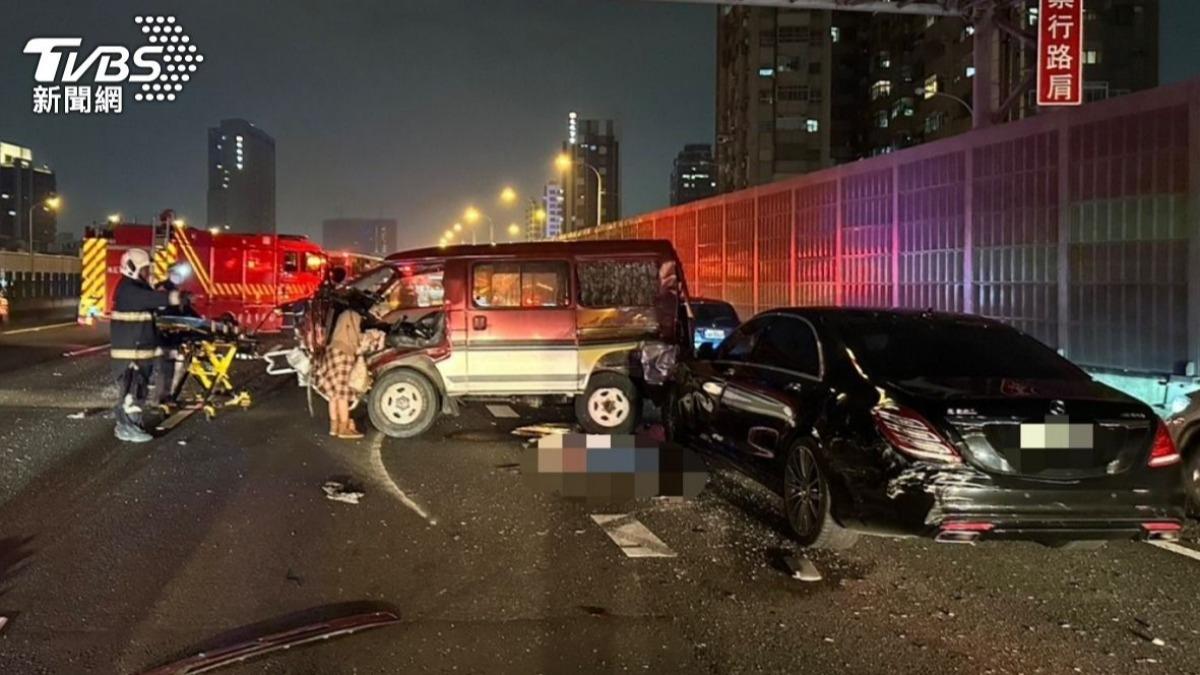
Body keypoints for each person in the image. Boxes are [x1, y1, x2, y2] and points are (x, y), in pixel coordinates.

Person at [111, 249, 183, 442]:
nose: (147, 272)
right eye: (144, 269)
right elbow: (154, 299)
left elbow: (153, 304)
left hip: (138, 351)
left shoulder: (137, 288)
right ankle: (128, 428)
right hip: (131, 354)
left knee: (137, 391)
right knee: (132, 393)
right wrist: (176, 297)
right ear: (132, 268)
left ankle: (131, 426)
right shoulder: (129, 289)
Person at [312, 303, 387, 439]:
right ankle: (344, 428)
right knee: (343, 395)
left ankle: (334, 427)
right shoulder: (353, 316)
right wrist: (370, 338)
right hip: (344, 355)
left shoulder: (342, 315)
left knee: (333, 395)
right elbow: (354, 338)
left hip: (332, 353)